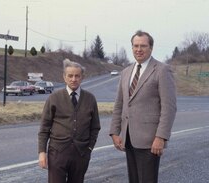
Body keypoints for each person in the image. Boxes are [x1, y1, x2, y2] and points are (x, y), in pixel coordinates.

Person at [109, 30, 177, 183]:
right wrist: (114, 131)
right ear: (132, 47)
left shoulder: (161, 70)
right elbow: (119, 104)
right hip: (128, 138)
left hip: (150, 140)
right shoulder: (126, 72)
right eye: (135, 46)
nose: (139, 49)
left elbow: (169, 107)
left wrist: (161, 137)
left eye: (143, 46)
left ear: (151, 48)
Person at [38, 58, 101, 183]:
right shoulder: (54, 98)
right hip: (57, 153)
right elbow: (44, 128)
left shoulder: (90, 99)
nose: (73, 79)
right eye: (70, 76)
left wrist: (89, 149)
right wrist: (42, 152)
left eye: (77, 76)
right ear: (64, 77)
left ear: (82, 77)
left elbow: (95, 127)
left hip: (81, 154)